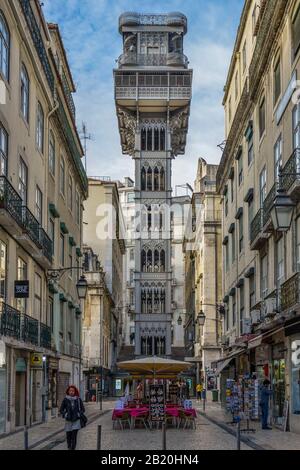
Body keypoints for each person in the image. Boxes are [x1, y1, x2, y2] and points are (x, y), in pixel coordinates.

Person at [60, 385, 85, 450]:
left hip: (76, 420)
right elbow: (61, 410)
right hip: (68, 420)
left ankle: (73, 448)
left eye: (73, 391)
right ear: (68, 391)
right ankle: (69, 446)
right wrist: (65, 414)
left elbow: (83, 409)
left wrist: (79, 414)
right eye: (70, 391)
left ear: (75, 392)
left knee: (74, 436)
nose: (71, 392)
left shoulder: (78, 399)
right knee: (68, 436)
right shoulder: (65, 399)